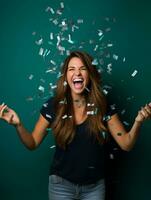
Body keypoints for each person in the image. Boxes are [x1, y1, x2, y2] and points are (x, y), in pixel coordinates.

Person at [0, 51, 151, 200]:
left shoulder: (103, 105)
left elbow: (126, 144)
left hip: (94, 188)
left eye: (83, 69)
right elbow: (32, 143)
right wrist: (18, 125)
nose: (77, 73)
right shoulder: (53, 106)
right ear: (65, 76)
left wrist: (137, 122)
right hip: (60, 186)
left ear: (90, 75)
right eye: (71, 69)